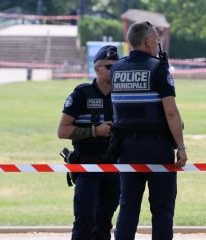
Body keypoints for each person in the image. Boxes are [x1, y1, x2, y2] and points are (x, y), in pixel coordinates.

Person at [110, 21, 187, 240]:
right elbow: (171, 112)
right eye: (156, 38)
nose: (158, 43)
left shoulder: (117, 68)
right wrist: (180, 147)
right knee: (162, 208)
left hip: (125, 148)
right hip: (157, 146)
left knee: (128, 206)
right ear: (148, 41)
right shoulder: (158, 68)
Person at [57, 45, 120, 240]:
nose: (114, 70)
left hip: (115, 167)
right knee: (85, 219)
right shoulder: (82, 94)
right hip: (87, 166)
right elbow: (62, 131)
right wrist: (95, 131)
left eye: (117, 66)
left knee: (104, 222)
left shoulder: (124, 94)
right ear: (97, 69)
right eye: (109, 66)